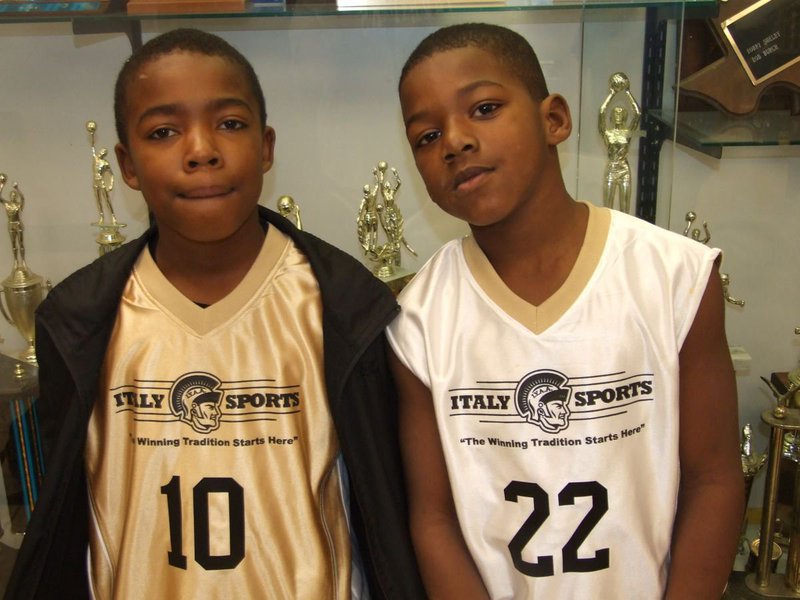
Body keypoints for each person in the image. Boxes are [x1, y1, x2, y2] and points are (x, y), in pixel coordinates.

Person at [5, 28, 424, 600]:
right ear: (126, 164)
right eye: (163, 131)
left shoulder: (344, 308)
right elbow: (67, 520)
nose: (201, 149)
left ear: (267, 146)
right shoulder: (80, 321)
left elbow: (382, 513)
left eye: (229, 123)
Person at [387, 22, 743, 599]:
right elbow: (433, 519)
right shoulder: (418, 320)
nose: (453, 141)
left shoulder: (677, 277)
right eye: (426, 137)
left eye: (483, 108)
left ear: (554, 119)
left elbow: (715, 479)